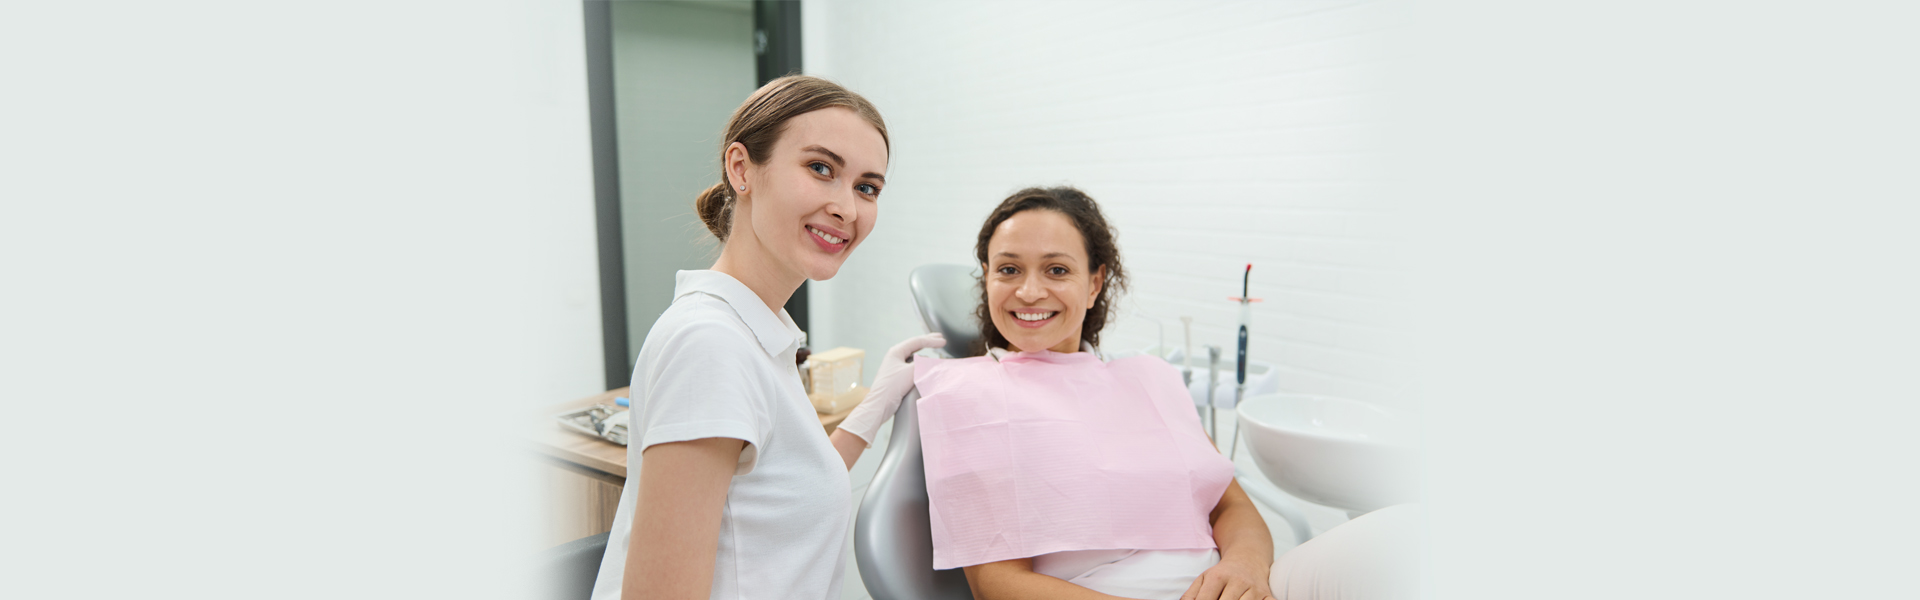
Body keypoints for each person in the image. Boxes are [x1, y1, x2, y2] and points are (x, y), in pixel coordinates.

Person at [915, 187, 1418, 600]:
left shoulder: (1148, 378)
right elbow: (996, 584)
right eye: (1008, 269)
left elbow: (1230, 506)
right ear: (986, 280)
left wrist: (1244, 566)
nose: (1028, 291)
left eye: (1057, 269)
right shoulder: (969, 394)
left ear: (1094, 284)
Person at [589, 75, 945, 600]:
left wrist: (874, 406)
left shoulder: (756, 334)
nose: (847, 208)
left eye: (867, 187)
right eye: (820, 169)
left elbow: (776, 495)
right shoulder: (710, 345)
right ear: (741, 169)